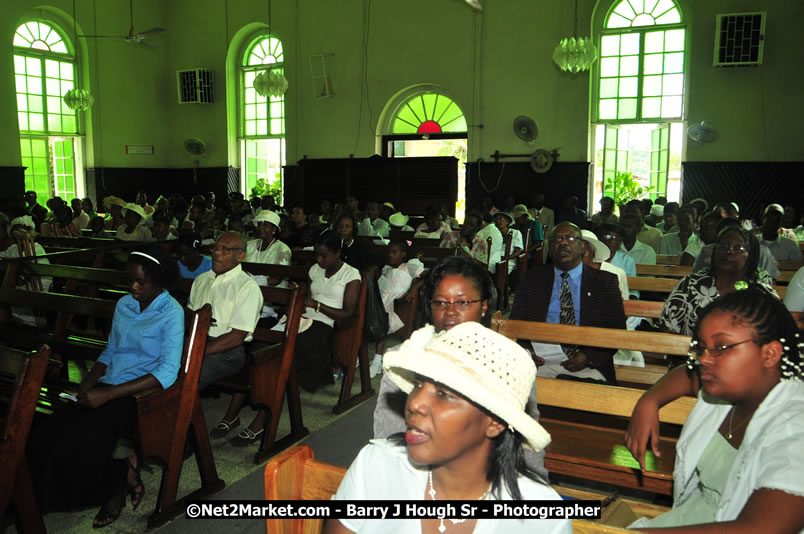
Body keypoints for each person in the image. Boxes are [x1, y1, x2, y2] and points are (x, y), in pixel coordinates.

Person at [329, 322, 570, 534]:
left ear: (494, 422)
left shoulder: (540, 518)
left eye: (444, 394)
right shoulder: (377, 465)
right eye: (418, 385)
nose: (414, 403)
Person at [27, 246, 183, 528]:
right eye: (130, 280)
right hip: (107, 385)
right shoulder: (125, 305)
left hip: (140, 395)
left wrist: (107, 394)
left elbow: (167, 372)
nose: (133, 287)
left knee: (80, 448)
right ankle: (36, 500)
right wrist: (84, 387)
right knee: (43, 436)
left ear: (159, 280)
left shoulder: (172, 312)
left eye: (141, 282)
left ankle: (116, 481)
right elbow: (110, 351)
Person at [625, 289, 804, 532]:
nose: (705, 359)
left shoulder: (797, 427)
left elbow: (761, 529)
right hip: (698, 516)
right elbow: (687, 376)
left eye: (722, 346)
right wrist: (648, 401)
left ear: (770, 354)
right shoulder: (730, 389)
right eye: (701, 347)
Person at [373, 256, 549, 481]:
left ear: (484, 306)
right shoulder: (405, 359)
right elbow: (388, 438)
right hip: (417, 472)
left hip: (490, 476)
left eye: (462, 302)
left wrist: (538, 486)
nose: (450, 312)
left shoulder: (509, 362)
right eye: (440, 302)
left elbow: (526, 442)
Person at [211, 234, 361, 444]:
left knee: (283, 357)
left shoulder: (351, 274)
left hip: (325, 326)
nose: (319, 260)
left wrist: (315, 305)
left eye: (324, 256)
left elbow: (347, 312)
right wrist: (298, 297)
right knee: (261, 351)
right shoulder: (314, 270)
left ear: (338, 253)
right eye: (316, 255)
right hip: (301, 318)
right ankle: (232, 414)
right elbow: (306, 296)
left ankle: (262, 420)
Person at [510, 222, 626, 384]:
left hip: (590, 366)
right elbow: (516, 323)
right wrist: (528, 352)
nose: (563, 242)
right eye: (557, 239)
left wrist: (588, 356)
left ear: (582, 247)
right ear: (550, 250)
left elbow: (617, 329)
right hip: (540, 362)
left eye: (570, 238)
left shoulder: (604, 282)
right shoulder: (532, 279)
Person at [660, 227, 777, 337]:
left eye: (738, 248)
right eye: (724, 246)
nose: (729, 251)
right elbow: (668, 329)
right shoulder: (691, 284)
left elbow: (773, 333)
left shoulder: (761, 292)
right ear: (714, 251)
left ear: (750, 256)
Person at [192, 231, 263, 393]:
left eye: (225, 250)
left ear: (240, 256)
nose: (217, 253)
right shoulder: (201, 280)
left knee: (187, 376)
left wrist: (197, 351)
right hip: (197, 341)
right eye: (216, 247)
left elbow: (237, 336)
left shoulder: (247, 287)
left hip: (227, 351)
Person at [370, 239, 425, 372]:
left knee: (383, 319)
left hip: (398, 303)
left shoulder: (408, 266)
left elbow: (427, 276)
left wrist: (414, 288)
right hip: (385, 301)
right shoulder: (387, 269)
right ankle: (376, 359)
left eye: (394, 252)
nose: (390, 255)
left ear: (403, 254)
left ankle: (378, 359)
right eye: (389, 252)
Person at [597, 223, 639, 299]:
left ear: (620, 243)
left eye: (616, 238)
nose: (612, 240)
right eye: (608, 236)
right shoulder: (594, 258)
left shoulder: (628, 261)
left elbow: (633, 290)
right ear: (600, 239)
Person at [493, 211, 524, 289]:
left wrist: (507, 257)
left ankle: (501, 290)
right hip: (495, 259)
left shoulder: (515, 233)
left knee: (500, 268)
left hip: (509, 260)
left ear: (507, 222)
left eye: (501, 219)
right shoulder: (494, 233)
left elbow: (518, 250)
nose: (498, 221)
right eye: (496, 220)